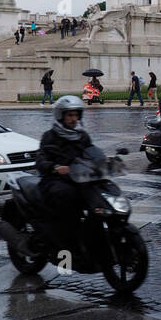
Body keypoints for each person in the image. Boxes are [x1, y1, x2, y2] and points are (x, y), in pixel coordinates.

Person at [34, 94, 95, 249]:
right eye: (70, 115)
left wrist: (106, 162)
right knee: (67, 195)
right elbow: (40, 160)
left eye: (76, 115)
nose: (73, 119)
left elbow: (92, 152)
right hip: (54, 180)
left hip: (79, 178)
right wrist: (54, 168)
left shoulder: (82, 136)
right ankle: (63, 244)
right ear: (61, 116)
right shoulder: (50, 136)